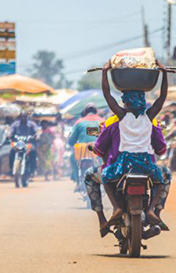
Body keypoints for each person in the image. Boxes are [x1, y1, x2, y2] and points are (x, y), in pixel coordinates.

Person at [98, 60, 170, 233]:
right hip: (145, 163)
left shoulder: (122, 116)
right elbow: (162, 98)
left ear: (126, 102)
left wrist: (105, 73)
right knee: (160, 181)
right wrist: (164, 74)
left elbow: (107, 95)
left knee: (106, 178)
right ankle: (152, 209)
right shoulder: (150, 118)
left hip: (125, 162)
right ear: (143, 102)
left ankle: (116, 207)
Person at [68, 104, 104, 182]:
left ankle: (77, 180)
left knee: (72, 158)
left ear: (85, 112)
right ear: (96, 111)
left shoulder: (79, 122)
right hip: (98, 150)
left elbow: (71, 140)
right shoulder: (103, 121)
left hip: (82, 152)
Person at [8, 111, 38, 176]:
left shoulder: (31, 124)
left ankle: (33, 169)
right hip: (18, 143)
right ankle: (11, 169)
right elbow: (11, 130)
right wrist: (9, 135)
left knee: (32, 153)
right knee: (12, 152)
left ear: (27, 117)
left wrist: (36, 135)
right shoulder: (15, 124)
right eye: (22, 117)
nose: (23, 118)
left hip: (28, 143)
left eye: (24, 117)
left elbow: (36, 131)